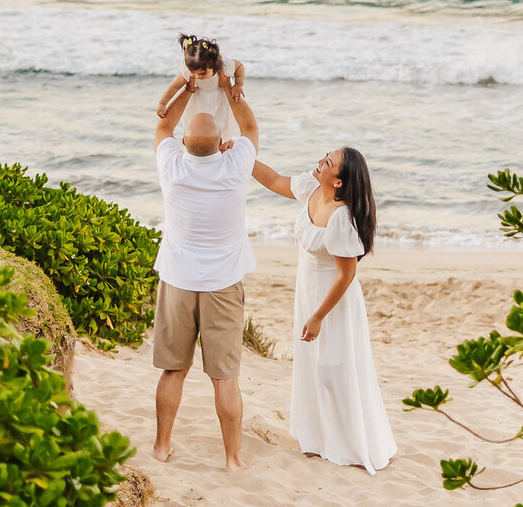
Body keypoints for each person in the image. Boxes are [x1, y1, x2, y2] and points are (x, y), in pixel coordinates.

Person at [251, 147, 396, 475]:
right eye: (325, 156)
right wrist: (241, 156)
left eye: (328, 162)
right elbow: (273, 179)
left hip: (333, 302)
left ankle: (348, 442)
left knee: (333, 367)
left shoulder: (342, 218)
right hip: (307, 292)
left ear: (340, 181)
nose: (321, 162)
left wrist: (318, 316)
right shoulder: (311, 188)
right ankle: (317, 439)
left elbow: (346, 276)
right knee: (312, 365)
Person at [152, 71, 259, 472]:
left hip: (177, 283)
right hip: (222, 286)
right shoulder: (235, 168)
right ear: (223, 144)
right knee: (225, 379)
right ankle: (232, 459)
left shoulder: (172, 169)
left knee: (172, 370)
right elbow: (249, 125)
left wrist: (189, 88)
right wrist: (233, 92)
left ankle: (162, 446)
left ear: (183, 145)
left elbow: (164, 124)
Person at [156, 33, 245, 142]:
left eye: (202, 73)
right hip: (198, 101)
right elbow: (174, 87)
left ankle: (225, 143)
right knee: (196, 125)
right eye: (194, 73)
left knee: (221, 124)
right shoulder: (189, 70)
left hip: (220, 100)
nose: (198, 76)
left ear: (214, 65)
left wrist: (238, 84)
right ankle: (196, 144)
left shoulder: (224, 65)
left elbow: (239, 67)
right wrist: (163, 103)